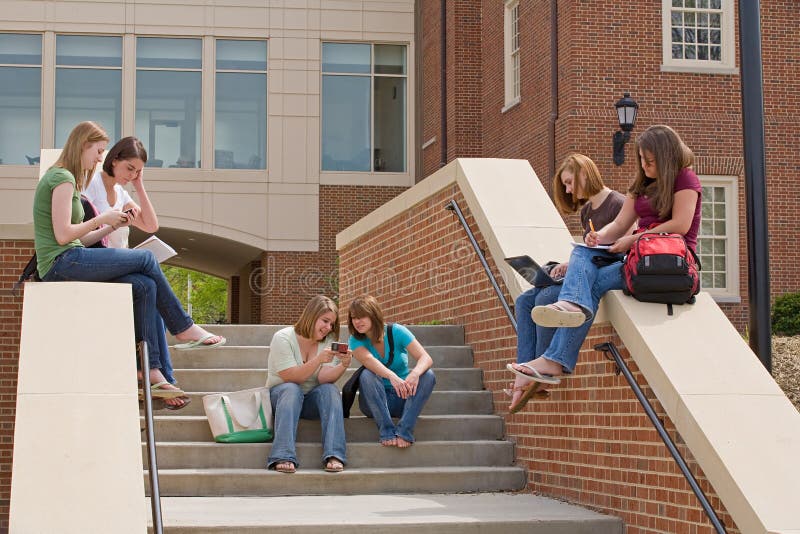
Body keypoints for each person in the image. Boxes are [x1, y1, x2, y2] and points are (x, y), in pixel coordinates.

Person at [32, 121, 226, 403]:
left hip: (71, 257)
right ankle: (183, 328)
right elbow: (63, 236)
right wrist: (103, 218)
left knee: (144, 285)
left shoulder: (68, 178)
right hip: (61, 264)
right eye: (98, 151)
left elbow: (78, 240)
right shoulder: (63, 178)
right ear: (83, 145)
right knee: (146, 258)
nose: (100, 158)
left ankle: (150, 370)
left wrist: (109, 226)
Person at [508, 125, 701, 398]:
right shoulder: (640, 185)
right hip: (638, 257)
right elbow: (621, 224)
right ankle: (557, 346)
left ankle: (556, 353)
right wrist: (599, 237)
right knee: (581, 253)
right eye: (641, 160)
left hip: (666, 261)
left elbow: (680, 225)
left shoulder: (685, 179)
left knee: (592, 281)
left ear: (667, 156)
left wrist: (632, 240)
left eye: (650, 161)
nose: (644, 166)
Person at [507, 154, 626, 412]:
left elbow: (622, 246)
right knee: (525, 300)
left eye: (570, 182)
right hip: (588, 266)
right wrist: (565, 266)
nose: (570, 190)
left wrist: (585, 255)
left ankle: (544, 367)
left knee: (545, 297)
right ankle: (526, 369)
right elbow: (590, 250)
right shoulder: (587, 212)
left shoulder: (618, 202)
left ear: (585, 173)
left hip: (610, 268)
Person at [82, 136, 186, 409]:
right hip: (99, 262)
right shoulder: (91, 187)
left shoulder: (122, 192)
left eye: (138, 171)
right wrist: (114, 222)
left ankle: (157, 375)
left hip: (121, 266)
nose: (133, 175)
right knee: (147, 278)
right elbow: (85, 233)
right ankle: (179, 336)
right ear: (113, 160)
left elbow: (151, 225)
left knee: (148, 288)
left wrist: (139, 185)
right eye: (130, 168)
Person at [266, 295, 350, 473]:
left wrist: (343, 365)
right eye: (325, 321)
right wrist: (318, 360)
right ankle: (282, 454)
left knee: (330, 390)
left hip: (310, 401)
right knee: (291, 389)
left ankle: (334, 454)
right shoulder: (283, 337)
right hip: (282, 399)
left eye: (332, 324)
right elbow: (291, 376)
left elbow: (323, 378)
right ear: (312, 316)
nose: (328, 328)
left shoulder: (327, 342)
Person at [347, 295, 436, 448]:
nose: (357, 321)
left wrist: (414, 374)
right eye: (354, 317)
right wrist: (392, 376)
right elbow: (369, 361)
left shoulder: (397, 331)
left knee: (428, 375)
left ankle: (404, 431)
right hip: (374, 402)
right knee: (366, 374)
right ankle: (386, 431)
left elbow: (426, 358)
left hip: (403, 397)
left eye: (362, 316)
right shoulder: (355, 340)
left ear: (373, 314)